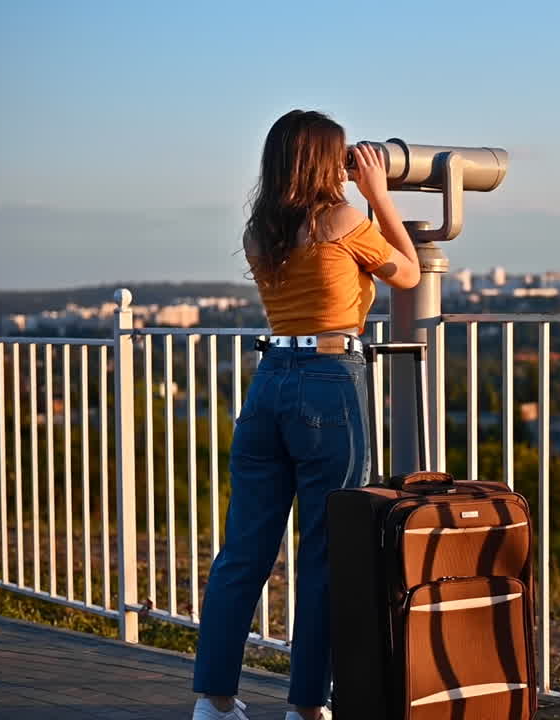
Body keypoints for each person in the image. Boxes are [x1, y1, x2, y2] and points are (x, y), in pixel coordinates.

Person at [191, 109, 419, 720]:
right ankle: (307, 707)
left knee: (243, 551)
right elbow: (409, 272)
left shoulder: (258, 232)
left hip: (268, 385)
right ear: (326, 161)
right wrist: (377, 194)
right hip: (328, 383)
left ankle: (213, 701)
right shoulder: (345, 219)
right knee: (325, 549)